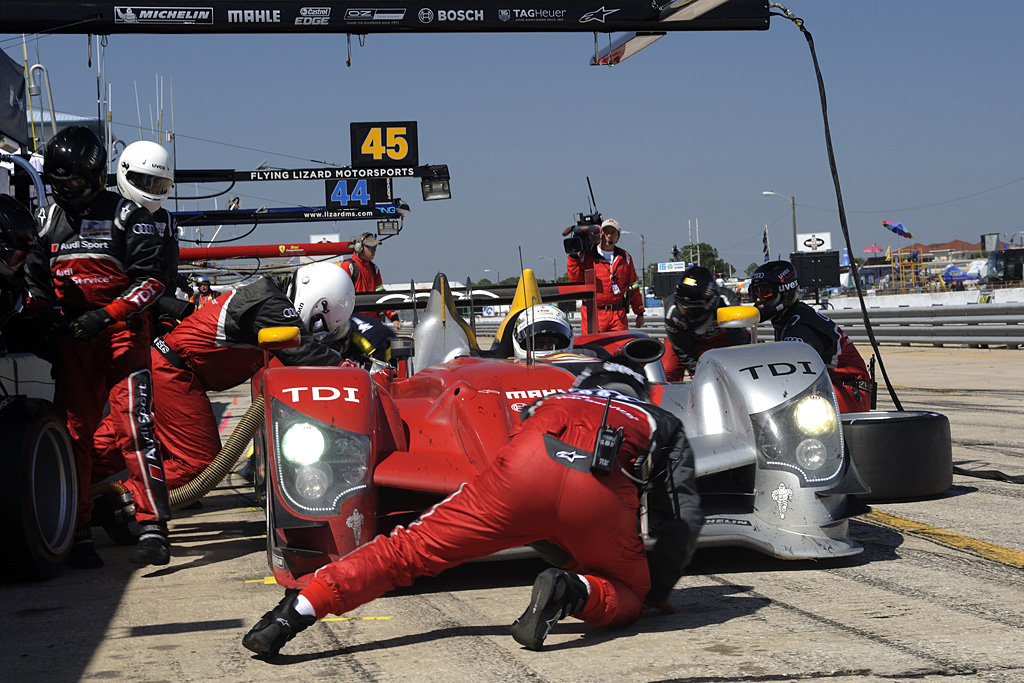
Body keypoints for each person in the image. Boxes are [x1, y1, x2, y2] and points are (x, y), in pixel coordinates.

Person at [242, 358, 703, 658]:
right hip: (599, 495)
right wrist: (655, 589)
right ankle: (574, 591)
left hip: (521, 474)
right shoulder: (658, 418)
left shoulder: (553, 397)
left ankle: (294, 612)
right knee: (630, 595)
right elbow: (682, 518)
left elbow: (523, 455)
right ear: (637, 392)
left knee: (408, 550)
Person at [92, 262, 370, 515]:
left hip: (163, 367)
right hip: (174, 374)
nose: (313, 328)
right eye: (318, 321)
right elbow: (305, 353)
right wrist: (354, 369)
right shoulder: (271, 304)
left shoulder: (265, 296)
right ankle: (118, 500)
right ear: (317, 300)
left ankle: (73, 496)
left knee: (104, 450)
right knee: (199, 463)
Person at [24, 126, 171, 568]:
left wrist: (106, 315)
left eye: (73, 183)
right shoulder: (48, 221)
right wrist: (44, 313)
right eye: (57, 184)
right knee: (74, 435)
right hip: (74, 341)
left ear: (95, 176)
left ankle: (153, 526)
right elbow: (33, 279)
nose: (65, 191)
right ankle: (79, 529)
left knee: (134, 427)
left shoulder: (128, 214)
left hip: (122, 334)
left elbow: (152, 282)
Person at [750, 260, 873, 412]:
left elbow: (788, 374)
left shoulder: (801, 326)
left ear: (785, 291)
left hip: (848, 393)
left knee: (784, 402)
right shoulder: (789, 319)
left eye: (765, 292)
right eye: (754, 292)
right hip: (837, 388)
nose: (757, 299)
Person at [115, 139, 192, 334]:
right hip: (113, 307)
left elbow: (168, 272)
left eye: (158, 185)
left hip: (150, 308)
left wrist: (165, 317)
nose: (151, 189)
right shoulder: (109, 212)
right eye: (145, 182)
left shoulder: (166, 220)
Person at [662, 266, 750, 381]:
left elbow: (739, 343)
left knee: (748, 359)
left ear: (711, 303)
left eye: (692, 310)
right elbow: (684, 351)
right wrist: (700, 375)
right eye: (682, 309)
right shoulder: (672, 313)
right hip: (688, 341)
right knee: (666, 370)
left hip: (724, 340)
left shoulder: (728, 304)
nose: (686, 315)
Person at [566, 219, 645, 333]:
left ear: (618, 237)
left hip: (618, 315)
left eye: (613, 233)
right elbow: (575, 280)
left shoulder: (625, 258)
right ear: (600, 234)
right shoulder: (586, 257)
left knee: (619, 347)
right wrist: (573, 258)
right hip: (594, 314)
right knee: (594, 348)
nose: (609, 236)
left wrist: (640, 312)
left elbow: (633, 286)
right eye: (606, 232)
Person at [340, 232, 402, 330]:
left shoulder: (374, 269)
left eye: (375, 247)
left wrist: (393, 317)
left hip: (373, 321)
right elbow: (340, 295)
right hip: (354, 321)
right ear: (359, 247)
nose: (374, 250)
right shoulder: (348, 266)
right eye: (370, 247)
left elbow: (381, 294)